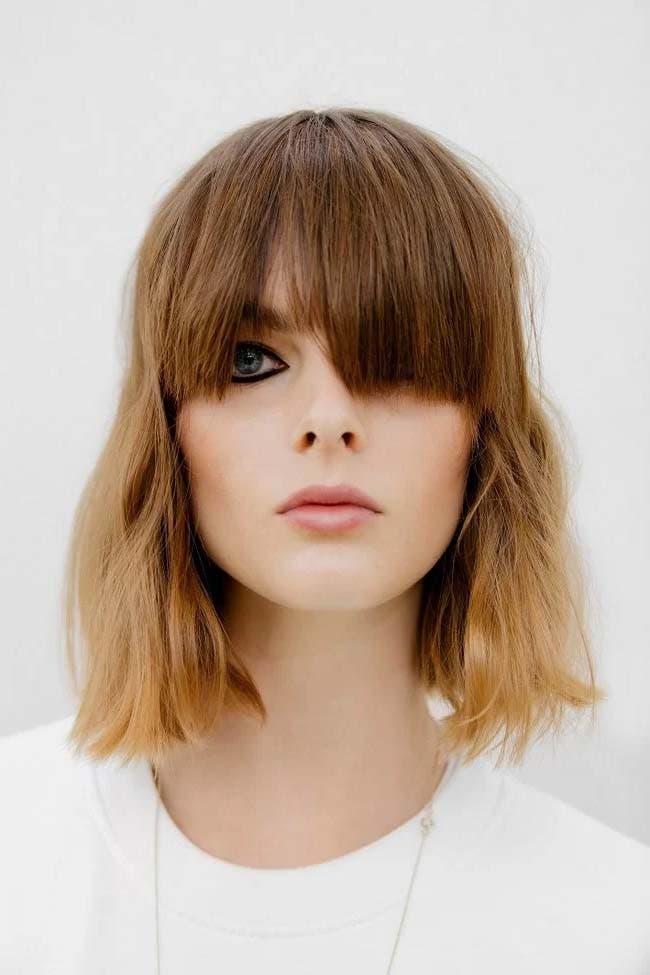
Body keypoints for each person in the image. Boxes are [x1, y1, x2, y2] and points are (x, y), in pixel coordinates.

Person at [1, 107, 648, 974]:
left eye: (400, 358)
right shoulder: (17, 858)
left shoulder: (614, 926)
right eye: (252, 361)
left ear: (484, 434)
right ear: (168, 429)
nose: (330, 419)